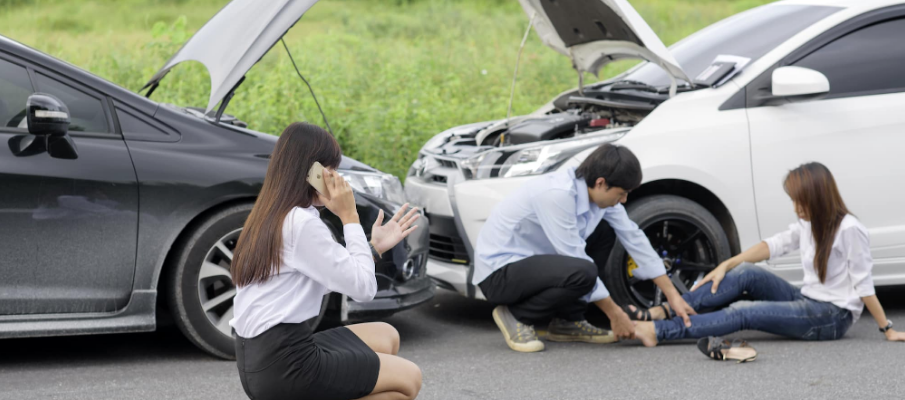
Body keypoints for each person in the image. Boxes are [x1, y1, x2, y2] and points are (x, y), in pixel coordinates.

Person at [229, 122, 423, 400]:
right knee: (408, 379)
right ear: (309, 171)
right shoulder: (301, 223)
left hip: (262, 358)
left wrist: (374, 247)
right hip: (286, 365)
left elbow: (333, 272)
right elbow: (364, 290)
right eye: (329, 169)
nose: (335, 178)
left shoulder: (273, 213)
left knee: (386, 335)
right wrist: (350, 217)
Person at [633, 162, 905, 347]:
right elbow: (773, 245)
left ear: (819, 199)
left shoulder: (849, 230)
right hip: (808, 299)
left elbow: (864, 285)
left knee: (743, 312)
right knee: (744, 273)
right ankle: (665, 311)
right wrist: (727, 264)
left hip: (832, 317)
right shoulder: (811, 223)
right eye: (794, 201)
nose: (796, 207)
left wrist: (887, 329)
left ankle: (660, 331)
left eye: (801, 202)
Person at [473, 143, 696, 353]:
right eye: (621, 193)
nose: (625, 200)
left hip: (534, 266)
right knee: (583, 271)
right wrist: (615, 314)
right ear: (600, 183)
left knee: (606, 232)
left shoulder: (598, 196)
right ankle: (516, 316)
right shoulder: (557, 195)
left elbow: (633, 237)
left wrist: (673, 296)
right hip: (500, 273)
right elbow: (574, 256)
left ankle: (568, 321)